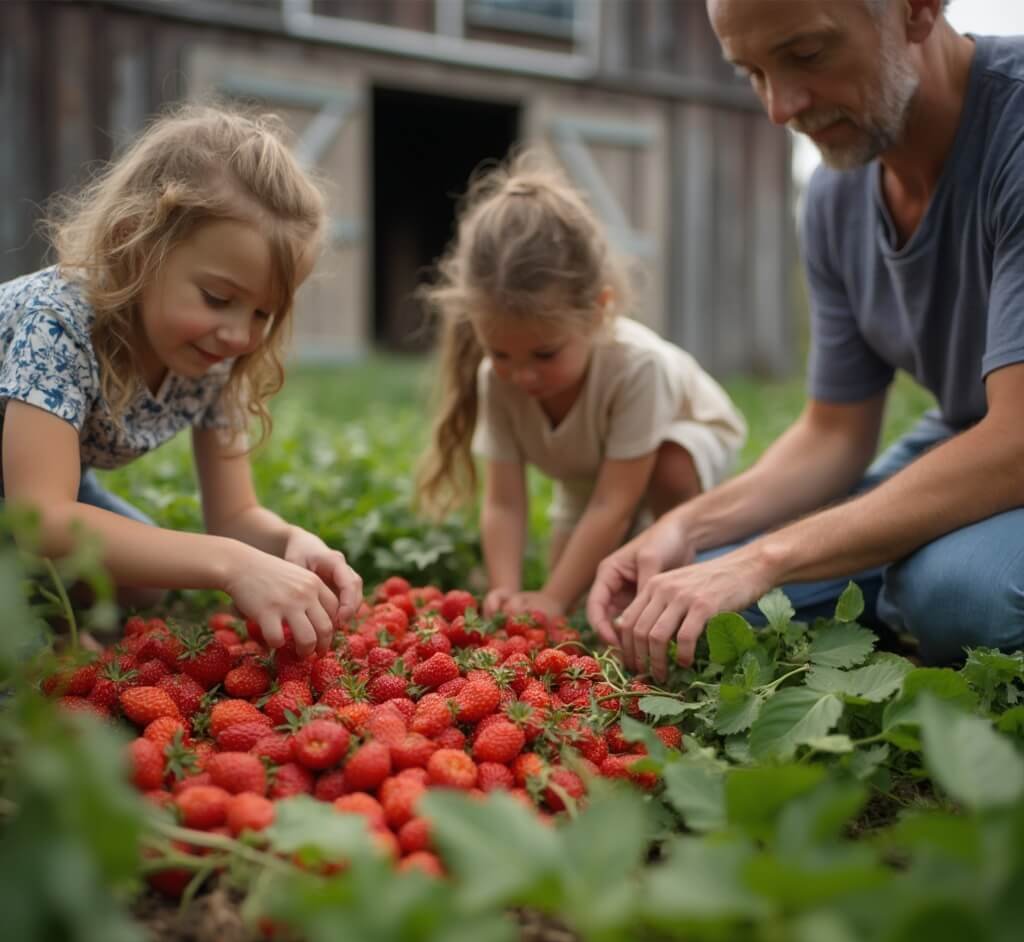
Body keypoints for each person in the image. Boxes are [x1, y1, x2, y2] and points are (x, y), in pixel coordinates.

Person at [588, 0, 1024, 678]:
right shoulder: (835, 196)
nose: (779, 108)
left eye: (807, 55)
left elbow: (1017, 439)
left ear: (917, 10)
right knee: (710, 608)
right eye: (753, 72)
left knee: (958, 596)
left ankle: (916, 578)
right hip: (972, 435)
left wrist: (769, 556)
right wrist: (688, 527)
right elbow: (835, 433)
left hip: (1008, 441)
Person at [0, 103, 362, 655]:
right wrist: (231, 563)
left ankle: (45, 617)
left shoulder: (213, 357)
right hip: (34, 496)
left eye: (263, 313)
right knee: (23, 664)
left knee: (144, 581)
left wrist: (289, 542)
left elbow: (234, 515)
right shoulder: (58, 322)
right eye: (217, 298)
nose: (239, 335)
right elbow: (43, 519)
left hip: (33, 485)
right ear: (135, 245)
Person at [416, 154, 747, 621]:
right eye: (501, 353)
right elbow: (505, 503)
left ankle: (685, 565)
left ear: (598, 311)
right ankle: (627, 563)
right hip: (589, 472)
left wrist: (552, 597)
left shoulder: (639, 368)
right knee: (574, 592)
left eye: (545, 354)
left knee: (665, 474)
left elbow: (613, 504)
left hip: (683, 443)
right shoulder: (496, 379)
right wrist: (506, 591)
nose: (523, 375)